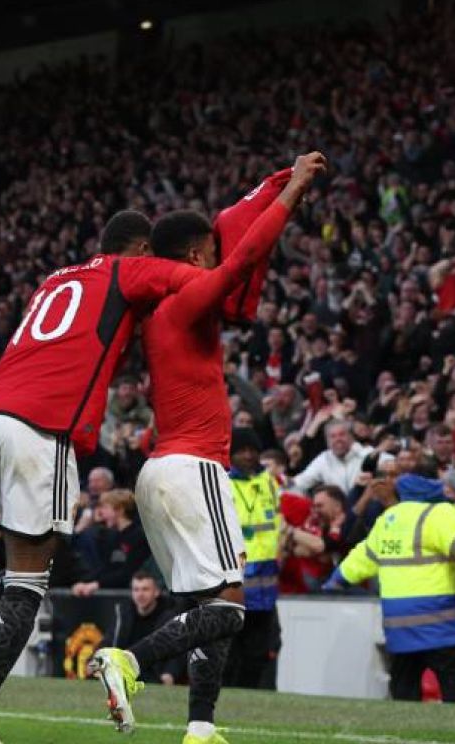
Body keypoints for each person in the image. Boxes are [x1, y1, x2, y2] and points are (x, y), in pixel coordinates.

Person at [0, 210, 216, 744]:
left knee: (18, 568)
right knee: (32, 583)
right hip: (40, 427)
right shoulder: (130, 270)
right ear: (141, 249)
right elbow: (203, 280)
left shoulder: (59, 278)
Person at [89, 153, 325, 744]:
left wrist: (272, 186)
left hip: (161, 470)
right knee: (232, 608)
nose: (217, 262)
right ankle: (129, 662)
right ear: (196, 256)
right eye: (209, 255)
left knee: (206, 609)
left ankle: (200, 726)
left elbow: (238, 257)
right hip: (194, 468)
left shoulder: (158, 314)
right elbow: (242, 257)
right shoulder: (183, 301)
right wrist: (291, 191)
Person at [323, 470, 455, 702]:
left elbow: (361, 557)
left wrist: (336, 579)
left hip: (400, 626)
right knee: (453, 690)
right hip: (438, 624)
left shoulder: (388, 520)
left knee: (404, 691)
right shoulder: (439, 516)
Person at [223, 428, 281, 690]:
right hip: (234, 572)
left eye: (252, 450)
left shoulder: (269, 481)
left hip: (265, 577)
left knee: (259, 643)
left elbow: (277, 522)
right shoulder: (222, 482)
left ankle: (251, 692)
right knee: (231, 639)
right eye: (241, 451)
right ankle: (229, 691)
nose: (247, 455)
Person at [110, 572, 184, 686]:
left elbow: (178, 650)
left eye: (145, 589)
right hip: (126, 671)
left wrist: (170, 674)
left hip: (155, 675)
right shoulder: (123, 615)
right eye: (136, 590)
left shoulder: (169, 617)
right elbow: (109, 640)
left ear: (156, 592)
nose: (140, 594)